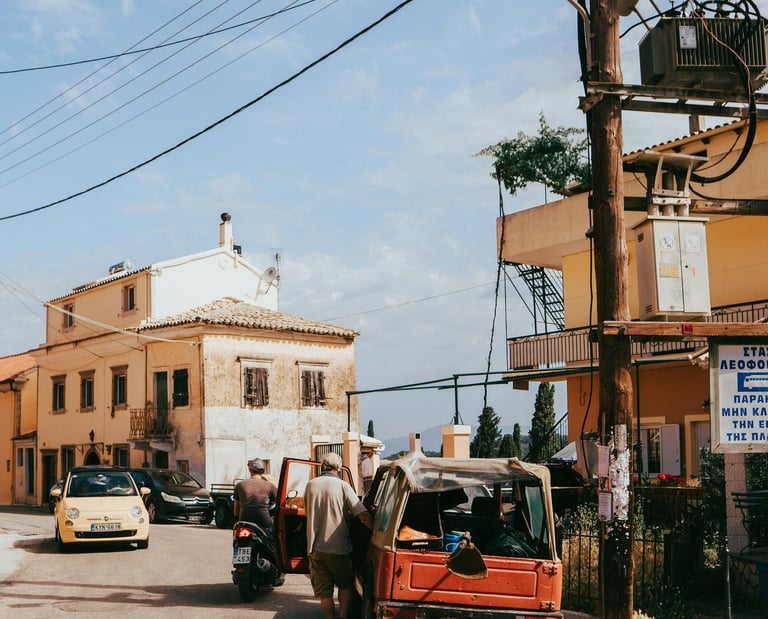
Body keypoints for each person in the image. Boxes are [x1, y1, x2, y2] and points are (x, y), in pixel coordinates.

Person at [305, 451, 372, 619]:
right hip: (338, 548)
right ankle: (342, 616)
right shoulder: (343, 486)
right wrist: (374, 531)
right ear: (340, 468)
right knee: (346, 585)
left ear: (322, 467)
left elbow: (308, 511)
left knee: (324, 593)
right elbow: (362, 514)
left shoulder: (310, 485)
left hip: (315, 547)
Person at [233, 458, 276, 530]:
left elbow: (236, 512)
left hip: (244, 521)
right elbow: (280, 501)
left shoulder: (240, 485)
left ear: (250, 470)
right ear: (263, 471)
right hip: (263, 521)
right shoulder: (270, 486)